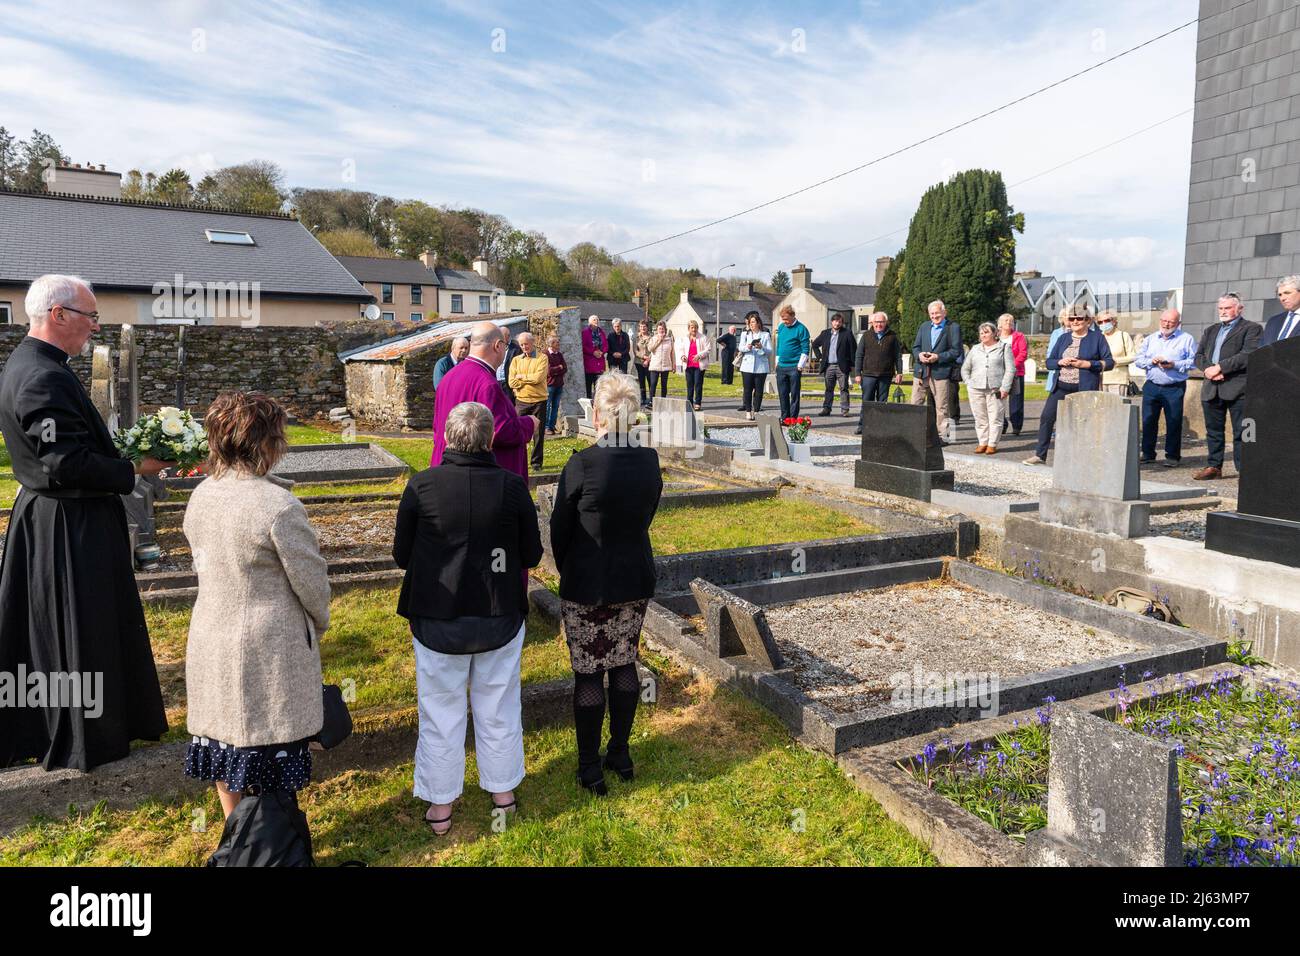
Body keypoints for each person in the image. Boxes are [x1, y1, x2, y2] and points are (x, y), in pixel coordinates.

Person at [0, 274, 168, 771]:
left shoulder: (39, 364)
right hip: (67, 524)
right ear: (58, 315)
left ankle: (94, 723)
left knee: (84, 626)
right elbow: (62, 464)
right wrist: (134, 469)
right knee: (80, 627)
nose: (95, 327)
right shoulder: (41, 376)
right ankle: (83, 735)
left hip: (65, 514)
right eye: (90, 317)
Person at [395, 401, 542, 834]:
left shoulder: (422, 487)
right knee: (497, 705)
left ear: (446, 437)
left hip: (439, 615)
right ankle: (502, 794)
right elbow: (531, 553)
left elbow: (403, 555)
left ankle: (442, 807)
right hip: (496, 613)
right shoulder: (512, 487)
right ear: (490, 439)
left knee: (441, 709)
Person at [182, 391, 329, 821]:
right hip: (267, 646)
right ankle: (268, 841)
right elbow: (312, 583)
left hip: (211, 632)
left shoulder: (202, 494)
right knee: (266, 749)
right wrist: (316, 624)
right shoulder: (277, 506)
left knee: (226, 744)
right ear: (265, 443)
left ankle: (236, 833)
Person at [550, 372, 663, 796]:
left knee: (588, 673)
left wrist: (569, 567)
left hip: (588, 581)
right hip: (632, 577)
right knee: (621, 662)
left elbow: (559, 528)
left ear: (597, 413)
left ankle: (589, 766)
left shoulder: (581, 463)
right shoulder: (648, 460)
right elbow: (646, 513)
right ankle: (619, 752)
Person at [431, 321, 539, 479]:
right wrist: (529, 423)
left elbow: (436, 426)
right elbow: (499, 431)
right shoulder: (486, 384)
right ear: (498, 345)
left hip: (446, 468)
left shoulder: (449, 377)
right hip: (480, 476)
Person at [1024, 305, 1114, 464]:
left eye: (1079, 318)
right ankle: (1040, 455)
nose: (1075, 321)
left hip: (1084, 388)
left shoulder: (1097, 338)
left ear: (1087, 320)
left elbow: (1109, 362)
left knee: (1084, 422)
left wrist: (1087, 364)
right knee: (1046, 418)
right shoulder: (1063, 338)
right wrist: (1060, 361)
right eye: (1072, 319)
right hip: (1061, 386)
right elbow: (1049, 362)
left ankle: (1086, 458)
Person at [1194, 293, 1262, 480]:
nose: (1223, 312)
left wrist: (1221, 367)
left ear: (1239, 308)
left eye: (1228, 308)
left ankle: (1244, 469)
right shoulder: (1211, 330)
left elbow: (1248, 354)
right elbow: (1198, 355)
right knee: (1213, 431)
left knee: (1242, 431)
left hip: (1237, 387)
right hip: (1211, 387)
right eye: (1221, 308)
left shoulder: (1251, 329)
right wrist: (1208, 369)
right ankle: (1214, 466)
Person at [1133, 308, 1196, 468]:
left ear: (1178, 323)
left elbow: (1193, 362)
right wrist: (1151, 362)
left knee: (1173, 422)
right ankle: (1147, 454)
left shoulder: (1186, 339)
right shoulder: (1151, 338)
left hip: (1174, 387)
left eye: (1171, 322)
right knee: (1148, 421)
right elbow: (1139, 359)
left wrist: (1174, 364)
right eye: (1164, 321)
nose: (1166, 324)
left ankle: (1172, 456)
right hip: (1152, 386)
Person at [911, 299, 963, 442]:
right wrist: (919, 355)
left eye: (937, 313)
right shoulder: (924, 326)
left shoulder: (953, 327)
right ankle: (915, 433)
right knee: (915, 403)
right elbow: (915, 347)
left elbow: (956, 351)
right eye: (932, 314)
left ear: (944, 312)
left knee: (942, 406)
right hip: (921, 372)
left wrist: (938, 357)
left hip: (941, 372)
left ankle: (945, 437)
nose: (934, 316)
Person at [961, 323, 1015, 455]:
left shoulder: (1004, 348)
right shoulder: (975, 349)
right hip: (976, 388)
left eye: (986, 332)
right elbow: (965, 368)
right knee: (980, 417)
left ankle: (992, 444)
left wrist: (1005, 387)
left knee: (995, 417)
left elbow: (1010, 369)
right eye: (981, 333)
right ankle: (982, 442)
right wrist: (968, 383)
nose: (983, 335)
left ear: (994, 333)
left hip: (996, 389)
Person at [854, 311, 903, 435]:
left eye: (881, 322)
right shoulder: (866, 336)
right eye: (876, 322)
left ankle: (880, 426)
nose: (878, 324)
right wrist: (857, 373)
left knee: (882, 402)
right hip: (868, 375)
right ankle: (862, 425)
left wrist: (899, 372)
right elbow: (859, 355)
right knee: (867, 401)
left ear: (886, 322)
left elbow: (897, 356)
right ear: (872, 323)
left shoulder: (892, 336)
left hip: (885, 375)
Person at [508, 331, 549, 472]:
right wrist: (525, 379)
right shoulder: (516, 360)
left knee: (538, 434)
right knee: (517, 432)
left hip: (539, 400)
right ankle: (518, 460)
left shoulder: (542, 358)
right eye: (521, 344)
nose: (524, 347)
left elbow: (538, 378)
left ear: (533, 343)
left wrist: (521, 377)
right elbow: (511, 382)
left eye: (526, 344)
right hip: (521, 401)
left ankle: (536, 463)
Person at [812, 312, 856, 418]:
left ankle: (845, 410)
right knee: (828, 388)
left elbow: (853, 349)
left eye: (839, 322)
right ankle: (827, 409)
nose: (837, 323)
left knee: (844, 388)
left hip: (843, 366)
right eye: (835, 321)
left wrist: (852, 364)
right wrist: (820, 357)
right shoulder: (825, 333)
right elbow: (814, 345)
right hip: (829, 366)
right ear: (832, 322)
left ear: (842, 323)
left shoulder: (847, 333)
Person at [773, 305, 811, 419]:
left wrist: (800, 365)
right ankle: (785, 417)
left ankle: (793, 418)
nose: (784, 321)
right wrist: (777, 361)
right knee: (782, 393)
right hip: (781, 366)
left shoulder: (801, 329)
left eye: (786, 319)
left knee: (794, 394)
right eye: (783, 319)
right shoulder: (781, 327)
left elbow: (805, 348)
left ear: (793, 316)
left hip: (794, 366)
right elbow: (779, 345)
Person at [737, 311, 773, 421]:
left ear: (758, 323)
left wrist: (761, 347)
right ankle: (748, 411)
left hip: (761, 367)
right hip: (747, 366)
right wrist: (747, 347)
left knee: (758, 390)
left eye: (753, 322)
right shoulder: (745, 334)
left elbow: (769, 351)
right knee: (747, 390)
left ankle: (756, 411)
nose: (752, 324)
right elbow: (740, 348)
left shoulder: (765, 335)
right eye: (750, 322)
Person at [996, 314, 1028, 436]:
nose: (1009, 322)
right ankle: (1002, 425)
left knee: (1016, 401)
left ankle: (1016, 426)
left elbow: (1023, 353)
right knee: (998, 400)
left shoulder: (1019, 336)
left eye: (1011, 320)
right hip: (998, 373)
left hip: (1015, 372)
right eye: (1006, 320)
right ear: (1000, 323)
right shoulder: (995, 336)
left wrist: (1011, 366)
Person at [1097, 311, 1137, 396]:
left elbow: (1133, 356)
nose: (1103, 324)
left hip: (1118, 379)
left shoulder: (1123, 335)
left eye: (1107, 320)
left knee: (1117, 407)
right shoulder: (1097, 337)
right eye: (1100, 322)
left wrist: (1114, 361)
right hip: (1099, 380)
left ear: (1114, 321)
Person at [676, 318, 710, 411]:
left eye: (695, 328)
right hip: (688, 364)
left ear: (697, 328)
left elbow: (708, 350)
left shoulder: (703, 337)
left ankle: (698, 403)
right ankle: (689, 402)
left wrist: (699, 356)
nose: (694, 330)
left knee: (698, 384)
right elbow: (681, 349)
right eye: (692, 328)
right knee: (689, 385)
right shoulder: (685, 338)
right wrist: (682, 356)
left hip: (699, 365)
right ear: (689, 329)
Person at [1259, 274, 1300, 346]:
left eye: (1287, 293)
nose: (1282, 298)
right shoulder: (1273, 321)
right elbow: (1261, 349)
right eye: (1280, 295)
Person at [544, 333, 568, 436]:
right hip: (550, 385)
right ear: (551, 344)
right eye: (556, 342)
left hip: (559, 384)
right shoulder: (545, 354)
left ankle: (552, 426)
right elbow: (549, 371)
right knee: (547, 406)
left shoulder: (559, 354)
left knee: (555, 406)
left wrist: (558, 369)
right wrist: (559, 368)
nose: (558, 344)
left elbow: (565, 368)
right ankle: (546, 427)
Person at [1042, 309, 1071, 394]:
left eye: (1070, 316)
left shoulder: (1077, 332)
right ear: (1062, 318)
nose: (1068, 318)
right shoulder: (1056, 333)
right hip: (1058, 367)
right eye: (1065, 316)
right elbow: (1050, 351)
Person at [647, 320, 674, 401]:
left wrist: (674, 365)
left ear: (665, 329)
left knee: (664, 384)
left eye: (662, 329)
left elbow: (672, 353)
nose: (661, 330)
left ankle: (663, 401)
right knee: (653, 384)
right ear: (657, 330)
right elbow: (650, 349)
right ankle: (651, 401)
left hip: (666, 365)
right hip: (655, 365)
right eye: (659, 329)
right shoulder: (653, 338)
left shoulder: (669, 339)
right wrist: (659, 340)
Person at [581, 314, 607, 398]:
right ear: (589, 323)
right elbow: (583, 346)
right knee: (588, 387)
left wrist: (602, 352)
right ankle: (588, 405)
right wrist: (593, 352)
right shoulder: (585, 333)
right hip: (589, 364)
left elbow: (606, 345)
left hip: (600, 363)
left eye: (597, 320)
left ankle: (598, 404)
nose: (596, 321)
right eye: (594, 320)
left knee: (599, 387)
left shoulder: (601, 332)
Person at [633, 318, 654, 408]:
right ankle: (643, 398)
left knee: (650, 381)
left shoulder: (652, 337)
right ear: (639, 328)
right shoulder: (636, 338)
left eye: (644, 326)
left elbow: (654, 350)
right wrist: (643, 357)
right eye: (641, 327)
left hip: (650, 362)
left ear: (647, 327)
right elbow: (635, 351)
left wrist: (648, 359)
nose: (643, 328)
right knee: (641, 381)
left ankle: (651, 399)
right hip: (639, 362)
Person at [498, 326, 521, 403]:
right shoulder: (497, 347)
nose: (500, 338)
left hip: (508, 382)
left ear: (508, 336)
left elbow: (519, 368)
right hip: (497, 381)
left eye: (502, 336)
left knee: (509, 404)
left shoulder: (516, 349)